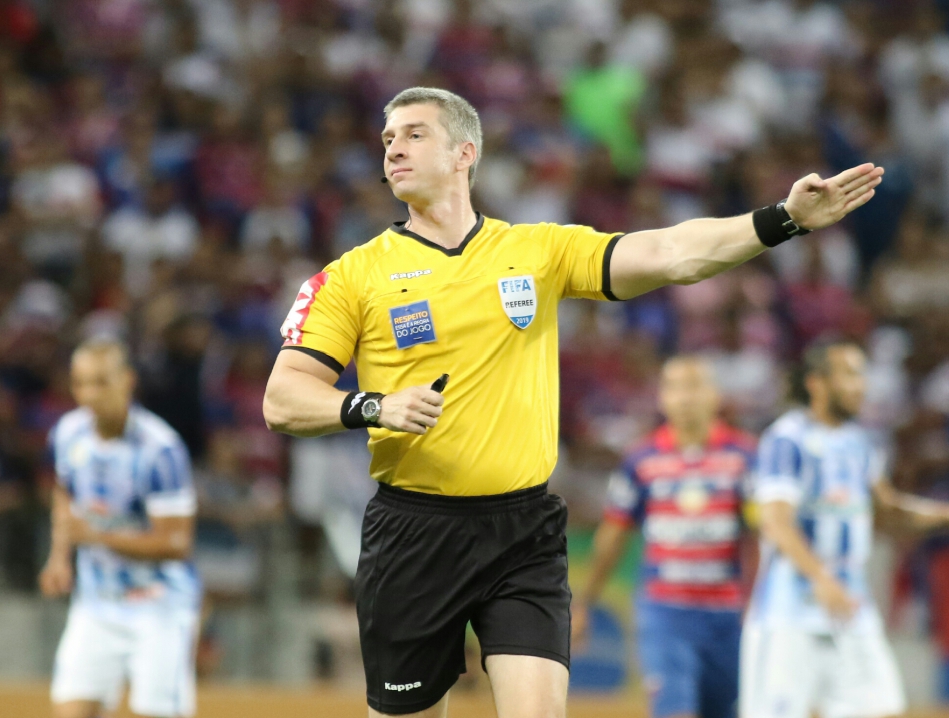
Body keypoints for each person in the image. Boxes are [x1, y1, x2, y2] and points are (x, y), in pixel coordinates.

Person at [262, 85, 885, 718]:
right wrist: (374, 406)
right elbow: (282, 399)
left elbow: (671, 252)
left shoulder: (537, 251)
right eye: (388, 138)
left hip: (522, 530)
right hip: (415, 532)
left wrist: (784, 218)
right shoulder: (351, 276)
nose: (394, 148)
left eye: (415, 134)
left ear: (464, 153)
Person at [743, 339, 949, 718]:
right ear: (817, 383)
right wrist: (820, 578)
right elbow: (776, 521)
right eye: (850, 375)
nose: (861, 386)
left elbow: (886, 513)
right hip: (789, 613)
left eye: (862, 376)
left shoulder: (859, 443)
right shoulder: (786, 440)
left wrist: (948, 515)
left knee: (879, 709)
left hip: (851, 609)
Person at [572, 356, 755, 718]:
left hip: (729, 618)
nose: (685, 397)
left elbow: (761, 537)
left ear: (715, 395)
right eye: (675, 387)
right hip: (665, 615)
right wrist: (584, 604)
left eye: (695, 386)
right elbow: (613, 536)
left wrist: (758, 602)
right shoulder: (641, 460)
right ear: (661, 398)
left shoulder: (745, 457)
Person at [39, 338, 200, 718]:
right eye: (81, 383)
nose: (89, 394)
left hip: (159, 605)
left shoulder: (160, 450)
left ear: (127, 380)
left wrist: (95, 536)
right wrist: (59, 556)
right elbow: (63, 492)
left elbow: (176, 543)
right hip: (96, 603)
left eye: (101, 382)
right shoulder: (68, 433)